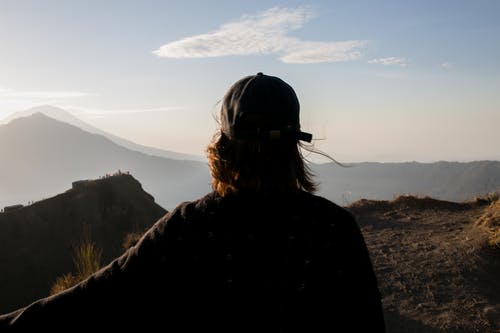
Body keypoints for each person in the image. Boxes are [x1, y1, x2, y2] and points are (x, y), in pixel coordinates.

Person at [0, 73, 385, 332]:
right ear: (295, 147)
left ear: (223, 146)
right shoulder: (334, 230)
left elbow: (91, 299)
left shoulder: (189, 229)